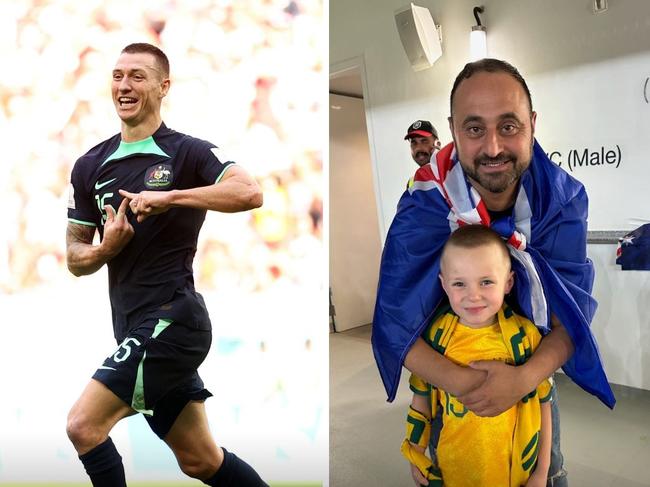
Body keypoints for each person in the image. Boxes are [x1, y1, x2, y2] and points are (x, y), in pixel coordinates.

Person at [372, 58, 615, 486]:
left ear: (532, 123)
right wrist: (464, 384)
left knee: (546, 473)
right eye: (474, 128)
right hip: (448, 380)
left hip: (531, 369)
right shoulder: (423, 206)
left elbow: (569, 321)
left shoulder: (561, 202)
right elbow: (394, 324)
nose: (493, 148)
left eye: (508, 126)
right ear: (453, 130)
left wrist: (521, 379)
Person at [65, 43, 267, 487]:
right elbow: (75, 259)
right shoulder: (89, 165)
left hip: (173, 321)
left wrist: (172, 196)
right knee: (200, 460)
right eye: (118, 76)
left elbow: (250, 191)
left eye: (137, 76)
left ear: (163, 86)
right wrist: (105, 249)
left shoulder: (188, 153)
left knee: (83, 425)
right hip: (134, 324)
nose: (124, 85)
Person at [401, 225, 552, 487]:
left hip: (513, 474)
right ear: (444, 285)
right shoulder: (436, 337)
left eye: (486, 282)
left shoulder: (525, 336)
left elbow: (544, 404)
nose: (473, 295)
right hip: (452, 469)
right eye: (459, 283)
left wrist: (541, 472)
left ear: (508, 283)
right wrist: (415, 453)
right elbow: (421, 399)